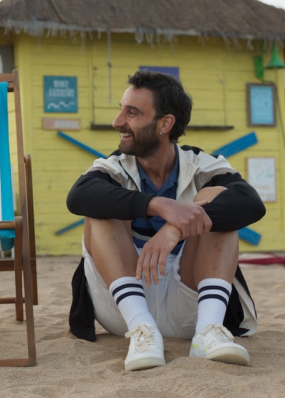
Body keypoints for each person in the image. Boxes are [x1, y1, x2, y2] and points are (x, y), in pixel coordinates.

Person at [66, 71, 265, 371]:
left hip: (191, 303)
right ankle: (143, 329)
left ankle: (208, 332)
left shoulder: (202, 165)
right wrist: (159, 205)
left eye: (132, 113)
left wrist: (175, 228)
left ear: (165, 124)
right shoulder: (113, 167)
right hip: (123, 309)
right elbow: (78, 197)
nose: (118, 121)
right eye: (121, 110)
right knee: (102, 205)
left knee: (214, 198)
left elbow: (250, 203)